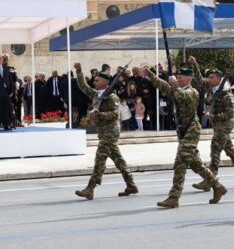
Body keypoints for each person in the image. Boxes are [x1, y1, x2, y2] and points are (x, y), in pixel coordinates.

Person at [145, 65, 226, 208]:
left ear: (188, 79)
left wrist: (174, 84)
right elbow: (163, 86)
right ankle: (218, 186)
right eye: (177, 77)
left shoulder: (192, 92)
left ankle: (174, 197)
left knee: (180, 162)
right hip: (184, 131)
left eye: (180, 77)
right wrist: (151, 75)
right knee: (196, 165)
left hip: (192, 130)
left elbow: (181, 97)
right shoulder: (177, 89)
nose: (177, 78)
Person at [73, 62, 137, 199]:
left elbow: (115, 115)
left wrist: (99, 114)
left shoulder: (112, 97)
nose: (94, 82)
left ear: (104, 82)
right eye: (94, 80)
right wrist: (79, 71)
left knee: (100, 159)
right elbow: (83, 86)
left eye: (97, 80)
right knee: (119, 160)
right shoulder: (96, 94)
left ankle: (90, 189)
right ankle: (131, 184)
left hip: (111, 132)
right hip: (103, 132)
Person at [188, 57, 234, 190]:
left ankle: (209, 181)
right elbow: (199, 80)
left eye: (211, 77)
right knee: (230, 150)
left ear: (218, 78)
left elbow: (230, 113)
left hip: (226, 123)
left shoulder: (226, 94)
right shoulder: (212, 87)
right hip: (217, 124)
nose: (209, 79)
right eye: (209, 77)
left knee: (215, 149)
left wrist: (214, 116)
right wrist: (195, 64)